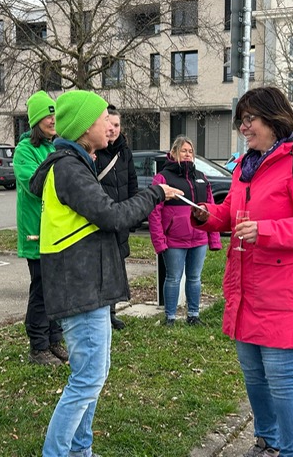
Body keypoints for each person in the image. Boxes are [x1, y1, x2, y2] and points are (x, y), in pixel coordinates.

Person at [30, 90, 182, 457]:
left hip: (87, 285)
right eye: (102, 120)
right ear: (85, 127)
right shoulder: (68, 168)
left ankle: (80, 450)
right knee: (87, 379)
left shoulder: (75, 163)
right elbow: (113, 216)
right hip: (81, 287)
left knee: (93, 376)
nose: (109, 126)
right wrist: (155, 194)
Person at [191, 87, 293, 457]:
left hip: (285, 292)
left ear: (274, 120)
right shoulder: (247, 164)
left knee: (283, 379)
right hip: (247, 289)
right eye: (241, 120)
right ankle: (267, 440)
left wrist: (266, 231)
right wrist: (206, 215)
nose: (243, 127)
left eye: (249, 119)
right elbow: (232, 212)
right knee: (255, 376)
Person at [14, 91, 68, 365]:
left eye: (55, 115)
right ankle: (38, 345)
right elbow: (34, 185)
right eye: (48, 116)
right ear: (36, 121)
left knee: (56, 288)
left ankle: (54, 339)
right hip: (36, 231)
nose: (53, 120)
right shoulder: (25, 150)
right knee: (42, 289)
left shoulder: (55, 146)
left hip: (55, 230)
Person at [148, 136, 222, 326]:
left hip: (199, 239)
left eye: (190, 151)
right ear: (174, 153)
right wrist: (159, 241)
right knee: (173, 278)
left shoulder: (201, 178)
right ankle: (170, 317)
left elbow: (211, 209)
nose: (188, 154)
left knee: (195, 278)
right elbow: (154, 213)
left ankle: (193, 315)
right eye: (183, 151)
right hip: (174, 240)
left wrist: (214, 239)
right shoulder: (163, 178)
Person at [94, 105, 138, 330]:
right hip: (102, 219)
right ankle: (100, 313)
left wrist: (133, 216)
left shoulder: (125, 152)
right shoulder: (94, 152)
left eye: (117, 125)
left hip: (121, 219)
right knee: (101, 269)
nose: (112, 129)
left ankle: (111, 312)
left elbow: (132, 183)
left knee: (117, 267)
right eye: (109, 124)